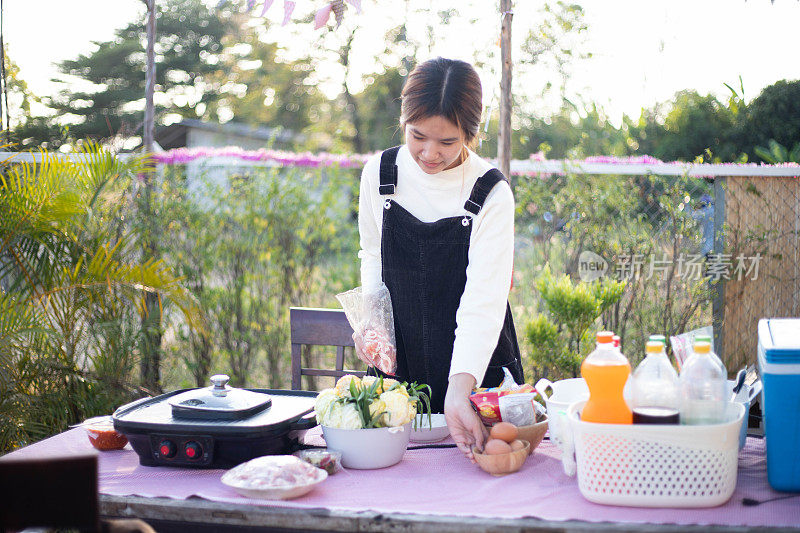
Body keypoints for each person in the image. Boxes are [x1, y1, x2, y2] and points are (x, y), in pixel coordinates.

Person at [355, 57, 524, 461]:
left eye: (448, 142)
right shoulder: (380, 173)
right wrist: (372, 325)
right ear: (404, 118)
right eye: (418, 136)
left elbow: (484, 303)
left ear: (471, 133)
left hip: (476, 371)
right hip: (400, 368)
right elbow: (372, 254)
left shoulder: (491, 193)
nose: (429, 153)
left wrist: (458, 390)